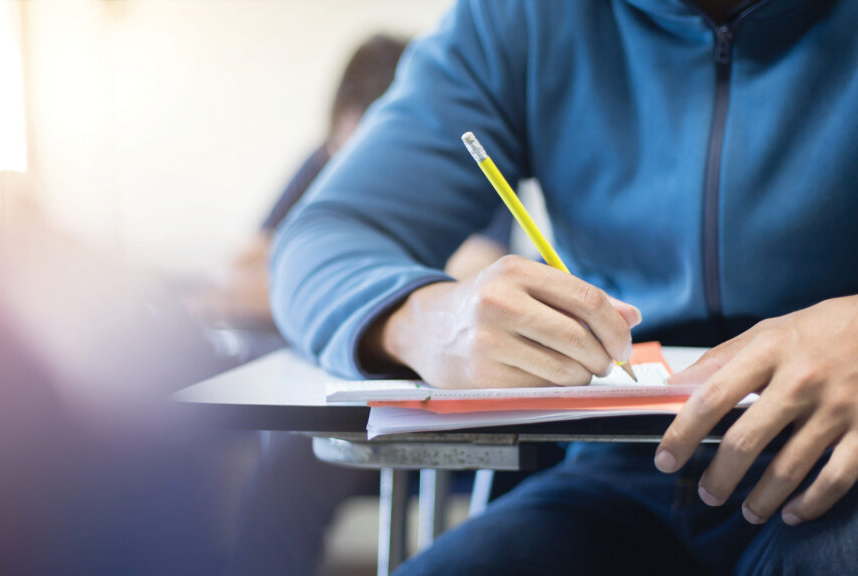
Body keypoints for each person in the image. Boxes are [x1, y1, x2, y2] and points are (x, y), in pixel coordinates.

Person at [270, 1, 858, 574]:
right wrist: (428, 320)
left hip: (841, 462)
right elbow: (319, 241)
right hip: (619, 469)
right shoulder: (521, 16)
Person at [223, 33, 516, 576]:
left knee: (523, 491)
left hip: (439, 406)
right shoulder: (323, 165)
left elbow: (482, 277)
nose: (353, 171)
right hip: (341, 398)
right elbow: (244, 273)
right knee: (285, 473)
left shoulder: (454, 159)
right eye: (342, 150)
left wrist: (338, 296)